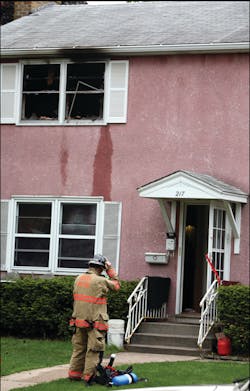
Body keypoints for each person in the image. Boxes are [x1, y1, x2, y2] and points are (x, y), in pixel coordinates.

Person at [68, 254, 120, 385]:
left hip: (78, 321)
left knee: (79, 348)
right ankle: (89, 377)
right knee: (93, 350)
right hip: (94, 322)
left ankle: (74, 374)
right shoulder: (100, 281)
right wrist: (110, 270)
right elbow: (117, 286)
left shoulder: (78, 279)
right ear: (101, 268)